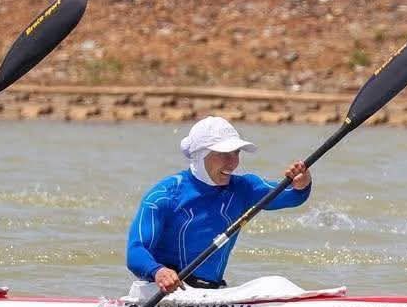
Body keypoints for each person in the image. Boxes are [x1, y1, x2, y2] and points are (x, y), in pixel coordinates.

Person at [126, 116, 312, 293]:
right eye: (224, 154)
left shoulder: (244, 188)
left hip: (212, 293)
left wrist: (301, 184)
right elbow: (136, 250)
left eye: (236, 153)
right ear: (200, 155)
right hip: (165, 293)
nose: (233, 163)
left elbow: (291, 197)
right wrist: (158, 271)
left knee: (275, 283)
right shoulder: (164, 196)